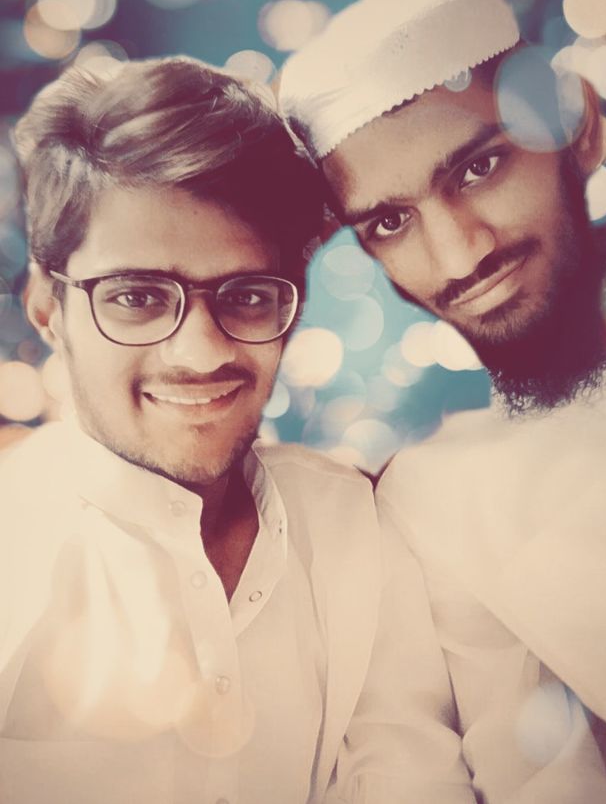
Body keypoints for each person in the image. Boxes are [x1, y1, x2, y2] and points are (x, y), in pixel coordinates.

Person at [1, 56, 475, 804]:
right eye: (136, 296)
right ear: (46, 309)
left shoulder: (350, 521)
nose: (200, 354)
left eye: (248, 295)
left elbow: (411, 774)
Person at [279, 0, 606, 803]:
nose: (459, 255)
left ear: (577, 126)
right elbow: (541, 774)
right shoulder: (436, 501)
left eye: (479, 168)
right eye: (390, 221)